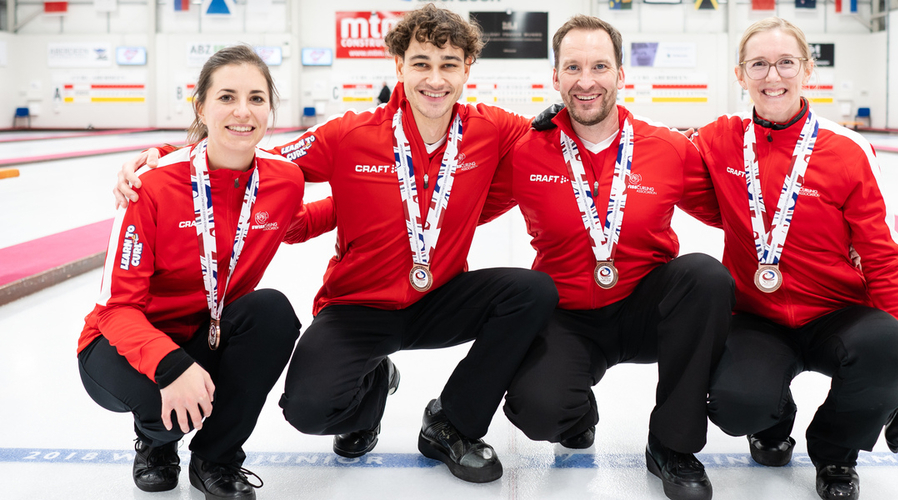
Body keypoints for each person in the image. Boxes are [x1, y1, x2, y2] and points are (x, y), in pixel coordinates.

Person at [114, 4, 558, 484]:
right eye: (422, 64)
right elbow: (249, 155)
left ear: (467, 68)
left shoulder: (491, 129)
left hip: (441, 295)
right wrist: (162, 157)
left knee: (531, 292)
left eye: (449, 64)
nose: (435, 79)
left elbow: (559, 140)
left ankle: (452, 423)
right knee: (308, 410)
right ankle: (372, 392)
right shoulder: (349, 134)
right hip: (358, 306)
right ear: (399, 66)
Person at [485, 16, 734, 500]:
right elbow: (460, 211)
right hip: (568, 315)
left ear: (622, 75)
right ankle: (575, 413)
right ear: (554, 78)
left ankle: (671, 445)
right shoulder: (526, 152)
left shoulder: (667, 148)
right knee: (539, 410)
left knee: (705, 276)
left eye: (600, 66)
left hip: (648, 310)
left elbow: (736, 216)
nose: (586, 81)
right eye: (572, 67)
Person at [691, 17, 898, 500]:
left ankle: (836, 453)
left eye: (785, 63)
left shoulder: (847, 151)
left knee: (891, 349)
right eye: (758, 64)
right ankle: (772, 422)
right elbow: (652, 152)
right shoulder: (718, 140)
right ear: (740, 75)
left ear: (807, 70)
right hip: (757, 317)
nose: (772, 76)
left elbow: (883, 257)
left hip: (838, 314)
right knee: (735, 404)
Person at [78, 45, 304, 500]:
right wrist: (171, 366)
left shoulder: (285, 179)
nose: (243, 111)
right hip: (122, 340)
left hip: (207, 333)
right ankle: (157, 445)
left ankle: (215, 459)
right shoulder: (151, 185)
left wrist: (375, 209)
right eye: (227, 97)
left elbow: (295, 223)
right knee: (157, 398)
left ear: (270, 110)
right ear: (200, 106)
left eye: (257, 98)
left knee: (272, 312)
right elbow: (116, 306)